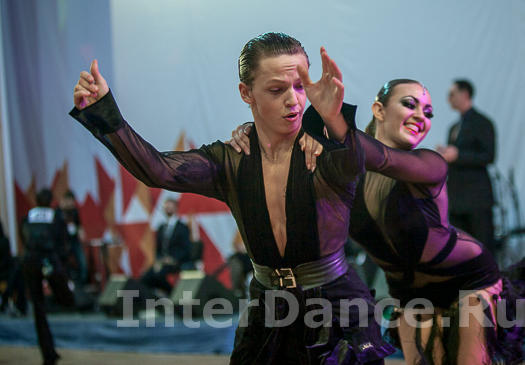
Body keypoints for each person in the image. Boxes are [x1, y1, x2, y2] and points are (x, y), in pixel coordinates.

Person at [70, 32, 394, 365]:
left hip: (337, 309)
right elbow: (158, 170)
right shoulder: (231, 160)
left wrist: (332, 119)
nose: (293, 100)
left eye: (300, 87)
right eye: (276, 90)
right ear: (246, 93)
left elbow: (352, 160)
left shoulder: (324, 149)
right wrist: (104, 112)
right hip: (268, 311)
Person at [231, 78, 525, 365]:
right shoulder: (342, 178)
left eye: (428, 113)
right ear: (379, 110)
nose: (421, 116)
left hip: (470, 282)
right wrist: (254, 134)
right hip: (409, 296)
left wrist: (331, 115)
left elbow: (379, 157)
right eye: (410, 104)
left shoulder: (430, 164)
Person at [437, 79, 497, 255]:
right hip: (457, 199)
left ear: (465, 94)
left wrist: (458, 155)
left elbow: (489, 156)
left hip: (477, 198)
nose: (448, 99)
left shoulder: (482, 122)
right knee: (461, 250)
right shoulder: (454, 127)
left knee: (483, 248)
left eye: (452, 94)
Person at [20, 188, 75, 365]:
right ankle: (64, 299)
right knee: (67, 298)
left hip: (29, 262)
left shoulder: (27, 217)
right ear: (52, 202)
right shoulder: (56, 218)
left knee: (39, 310)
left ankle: (48, 354)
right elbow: (63, 245)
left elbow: (24, 238)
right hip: (49, 261)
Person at [140, 198, 191, 295]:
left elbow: (185, 249)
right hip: (162, 263)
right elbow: (158, 249)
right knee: (145, 277)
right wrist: (159, 261)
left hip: (176, 262)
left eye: (170, 206)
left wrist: (172, 259)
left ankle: (173, 294)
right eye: (166, 207)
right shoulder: (161, 228)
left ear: (176, 208)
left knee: (158, 275)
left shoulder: (183, 228)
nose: (168, 209)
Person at [58, 190, 88, 285]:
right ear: (64, 200)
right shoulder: (58, 212)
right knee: (63, 263)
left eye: (73, 201)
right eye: (69, 201)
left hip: (74, 241)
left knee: (82, 261)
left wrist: (81, 234)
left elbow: (78, 225)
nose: (71, 204)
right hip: (63, 243)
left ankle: (82, 283)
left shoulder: (74, 211)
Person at [0, 221, 27, 316]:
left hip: (4, 272)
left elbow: (5, 260)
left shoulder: (3, 241)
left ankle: (8, 303)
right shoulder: (4, 240)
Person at [228, 230, 253, 298]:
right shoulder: (244, 228)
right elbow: (236, 245)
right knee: (235, 262)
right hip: (246, 257)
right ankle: (238, 293)